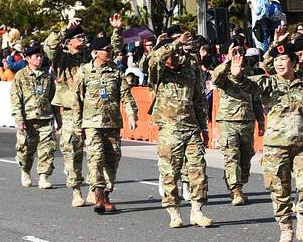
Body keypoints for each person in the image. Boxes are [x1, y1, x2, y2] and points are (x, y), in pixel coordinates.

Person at [225, 42, 303, 242]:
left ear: (293, 62)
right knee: (279, 190)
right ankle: (286, 229)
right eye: (276, 60)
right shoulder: (269, 83)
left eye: (283, 59)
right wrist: (236, 72)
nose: (279, 63)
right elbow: (245, 84)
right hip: (276, 146)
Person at [46, 16, 121, 208]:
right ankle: (76, 189)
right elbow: (49, 47)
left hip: (93, 113)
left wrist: (116, 32)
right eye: (78, 36)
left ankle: (96, 190)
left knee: (98, 153)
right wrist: (66, 28)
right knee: (73, 151)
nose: (83, 40)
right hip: (71, 112)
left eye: (84, 36)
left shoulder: (89, 57)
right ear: (69, 41)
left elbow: (110, 50)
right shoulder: (62, 58)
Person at [144, 31, 212, 228]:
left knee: (198, 170)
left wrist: (204, 128)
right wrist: (173, 43)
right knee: (170, 173)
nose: (175, 57)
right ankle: (174, 211)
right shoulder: (158, 72)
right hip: (169, 130)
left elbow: (198, 99)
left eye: (178, 53)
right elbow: (154, 58)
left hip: (191, 128)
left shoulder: (190, 66)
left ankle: (197, 210)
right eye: (171, 54)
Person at [75, 34, 138, 213]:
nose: (110, 52)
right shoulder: (84, 72)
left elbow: (126, 96)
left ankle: (107, 193)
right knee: (95, 159)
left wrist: (131, 115)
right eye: (106, 50)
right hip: (91, 123)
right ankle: (99, 196)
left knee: (112, 159)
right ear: (95, 53)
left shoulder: (117, 72)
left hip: (112, 123)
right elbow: (77, 99)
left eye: (111, 49)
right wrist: (78, 124)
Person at [209, 45, 264, 206]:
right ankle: (236, 190)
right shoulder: (224, 71)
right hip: (228, 120)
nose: (238, 55)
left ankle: (238, 183)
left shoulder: (248, 70)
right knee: (232, 155)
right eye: (235, 51)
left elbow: (255, 97)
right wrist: (227, 61)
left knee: (246, 156)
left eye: (240, 52)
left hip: (247, 119)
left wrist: (260, 120)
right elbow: (215, 79)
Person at [10, 42, 57, 190]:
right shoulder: (20, 76)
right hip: (28, 119)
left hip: (45, 118)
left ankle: (43, 177)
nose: (39, 59)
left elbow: (53, 98)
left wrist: (58, 119)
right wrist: (19, 118)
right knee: (25, 150)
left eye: (41, 56)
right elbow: (15, 98)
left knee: (47, 149)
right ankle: (25, 171)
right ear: (28, 59)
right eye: (36, 56)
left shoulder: (47, 76)